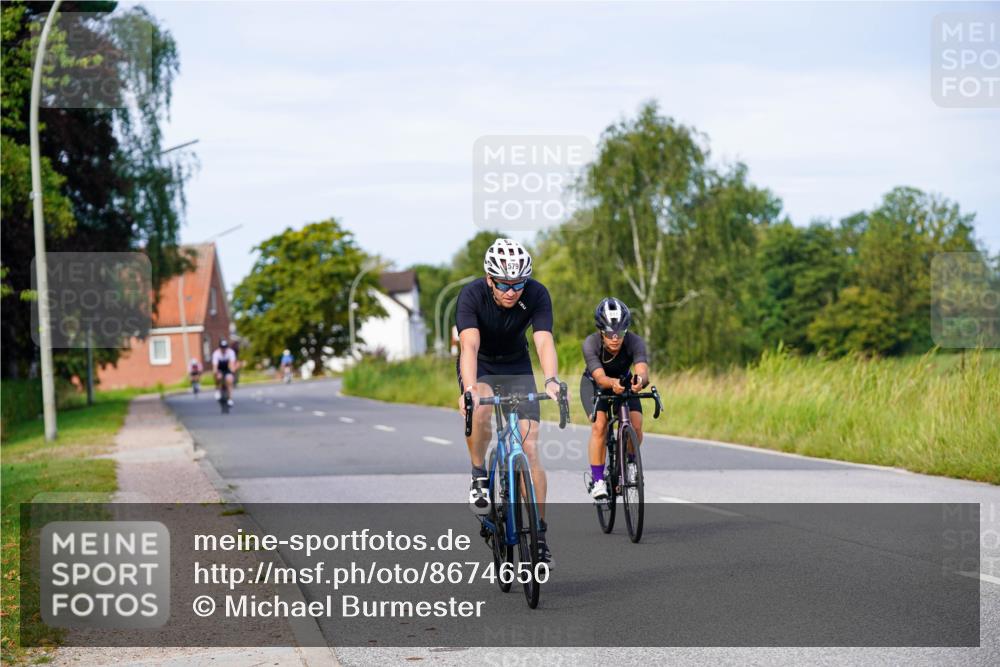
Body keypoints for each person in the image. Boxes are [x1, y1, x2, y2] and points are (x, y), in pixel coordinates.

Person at [456, 238, 563, 566]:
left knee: (530, 448)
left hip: (517, 365)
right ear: (490, 279)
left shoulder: (537, 293)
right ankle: (478, 473)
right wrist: (470, 388)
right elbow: (469, 346)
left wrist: (551, 380)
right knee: (483, 404)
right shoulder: (472, 295)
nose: (511, 290)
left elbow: (543, 340)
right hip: (483, 365)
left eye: (518, 283)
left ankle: (540, 536)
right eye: (503, 283)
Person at [580, 297, 650, 501]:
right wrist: (612, 384)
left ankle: (630, 463)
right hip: (595, 384)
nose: (615, 338)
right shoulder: (591, 343)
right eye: (610, 333)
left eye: (619, 333)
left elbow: (643, 371)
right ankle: (598, 479)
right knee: (600, 426)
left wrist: (640, 381)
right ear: (601, 331)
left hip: (624, 381)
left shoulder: (635, 342)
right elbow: (600, 378)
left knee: (636, 426)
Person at [211, 339, 238, 407]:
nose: (224, 349)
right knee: (218, 376)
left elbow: (232, 364)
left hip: (227, 368)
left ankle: (230, 399)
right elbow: (215, 366)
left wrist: (232, 370)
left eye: (225, 347)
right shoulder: (216, 353)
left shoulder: (231, 352)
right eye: (222, 347)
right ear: (219, 347)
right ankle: (217, 389)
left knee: (229, 379)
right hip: (219, 368)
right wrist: (216, 372)